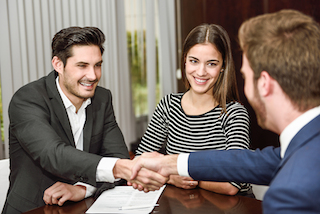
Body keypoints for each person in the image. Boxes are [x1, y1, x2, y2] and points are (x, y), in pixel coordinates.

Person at [131, 9, 320, 213]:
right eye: (194, 61)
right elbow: (253, 162)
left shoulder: (290, 194)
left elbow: (237, 178)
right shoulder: (301, 147)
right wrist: (173, 166)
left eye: (245, 76)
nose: (201, 71)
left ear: (264, 83)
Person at [2, 27, 166, 214]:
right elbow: (52, 154)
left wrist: (83, 188)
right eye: (82, 66)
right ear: (58, 64)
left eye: (97, 65)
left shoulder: (102, 99)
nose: (93, 75)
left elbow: (116, 156)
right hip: (34, 208)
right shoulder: (28, 99)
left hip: (83, 207)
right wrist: (121, 167)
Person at [135, 24, 251, 195]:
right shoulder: (168, 105)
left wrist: (185, 174)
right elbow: (140, 163)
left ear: (223, 67)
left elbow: (232, 184)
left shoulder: (234, 114)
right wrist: (171, 178)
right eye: (194, 61)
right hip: (184, 204)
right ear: (185, 60)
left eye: (211, 63)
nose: (201, 72)